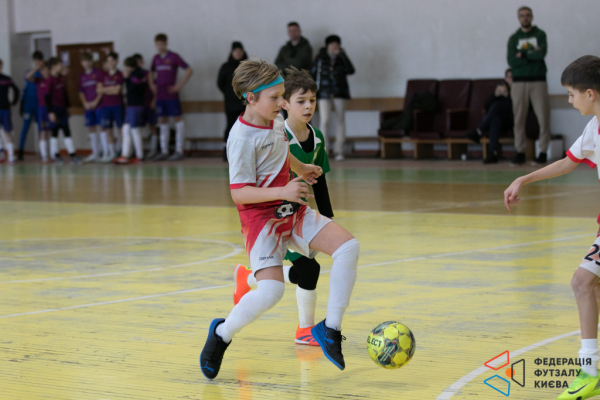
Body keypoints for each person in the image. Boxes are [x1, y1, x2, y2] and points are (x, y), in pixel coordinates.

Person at [200, 58, 359, 379]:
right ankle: (221, 334)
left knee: (348, 247)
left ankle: (329, 328)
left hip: (291, 208)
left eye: (281, 95)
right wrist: (283, 190)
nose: (280, 102)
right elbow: (239, 193)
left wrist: (300, 168)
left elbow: (280, 151)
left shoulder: (274, 121)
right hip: (261, 220)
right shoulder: (241, 138)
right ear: (250, 98)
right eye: (274, 97)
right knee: (271, 292)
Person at [504, 55, 600, 400]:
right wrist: (523, 179)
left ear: (590, 93)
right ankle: (591, 371)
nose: (570, 101)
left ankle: (589, 370)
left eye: (572, 94)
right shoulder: (593, 128)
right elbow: (567, 163)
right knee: (589, 285)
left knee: (582, 282)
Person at [232, 66, 334, 346]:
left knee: (304, 272)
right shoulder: (274, 130)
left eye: (312, 100)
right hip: (275, 216)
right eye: (301, 101)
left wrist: (327, 218)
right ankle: (304, 330)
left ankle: (248, 279)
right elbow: (242, 189)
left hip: (300, 213)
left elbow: (318, 178)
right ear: (285, 104)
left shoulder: (316, 137)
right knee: (309, 271)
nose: (308, 106)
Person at [507, 6, 550, 165]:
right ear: (518, 18)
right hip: (518, 83)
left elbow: (541, 54)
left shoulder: (540, 34)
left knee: (543, 117)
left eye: (527, 15)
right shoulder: (514, 38)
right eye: (522, 15)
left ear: (531, 17)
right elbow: (511, 61)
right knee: (518, 118)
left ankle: (543, 151)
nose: (525, 18)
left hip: (538, 81)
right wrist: (532, 53)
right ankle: (520, 152)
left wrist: (522, 54)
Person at [311, 35, 355, 161]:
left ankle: (339, 150)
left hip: (339, 92)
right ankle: (323, 150)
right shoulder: (320, 57)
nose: (334, 46)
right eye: (331, 44)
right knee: (324, 121)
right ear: (327, 45)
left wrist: (342, 55)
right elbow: (313, 73)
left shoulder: (342, 57)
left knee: (340, 120)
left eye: (336, 44)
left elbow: (351, 70)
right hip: (324, 93)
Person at [151, 33, 193, 161]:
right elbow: (150, 73)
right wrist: (151, 85)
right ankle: (164, 151)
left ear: (166, 44)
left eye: (162, 44)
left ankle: (179, 150)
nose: (160, 47)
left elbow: (189, 70)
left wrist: (179, 85)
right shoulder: (155, 58)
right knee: (162, 121)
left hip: (171, 95)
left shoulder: (174, 57)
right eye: (158, 45)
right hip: (160, 95)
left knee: (178, 119)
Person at [466, 69, 514, 164]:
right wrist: (495, 95)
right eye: (509, 77)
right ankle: (493, 153)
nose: (511, 79)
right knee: (495, 120)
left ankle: (479, 131)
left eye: (513, 77)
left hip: (510, 121)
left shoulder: (518, 89)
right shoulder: (501, 87)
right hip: (498, 122)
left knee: (497, 106)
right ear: (505, 78)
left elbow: (515, 108)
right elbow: (486, 105)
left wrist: (507, 95)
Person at [45, 57, 80, 165]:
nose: (62, 67)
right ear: (54, 66)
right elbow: (47, 97)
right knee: (54, 132)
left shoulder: (61, 78)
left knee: (67, 131)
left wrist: (68, 107)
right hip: (54, 109)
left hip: (62, 109)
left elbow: (64, 94)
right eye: (60, 65)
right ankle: (55, 155)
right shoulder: (49, 80)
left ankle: (72, 154)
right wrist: (50, 112)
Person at [114, 56, 149, 164]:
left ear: (130, 66)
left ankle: (140, 156)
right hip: (131, 105)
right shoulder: (135, 74)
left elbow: (133, 88)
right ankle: (125, 154)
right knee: (125, 128)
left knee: (135, 130)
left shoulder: (137, 74)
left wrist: (126, 78)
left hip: (136, 105)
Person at [217, 41, 247, 161]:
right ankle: (227, 151)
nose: (238, 53)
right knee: (230, 126)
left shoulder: (247, 66)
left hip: (244, 103)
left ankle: (244, 151)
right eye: (236, 51)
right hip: (230, 102)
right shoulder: (226, 66)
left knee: (245, 127)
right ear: (232, 52)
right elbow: (220, 83)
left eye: (240, 51)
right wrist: (229, 93)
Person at [97, 52, 123, 163]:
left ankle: (122, 151)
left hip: (117, 105)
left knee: (121, 129)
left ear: (116, 61)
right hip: (106, 106)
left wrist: (106, 89)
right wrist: (111, 88)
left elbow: (117, 91)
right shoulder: (103, 75)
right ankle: (111, 153)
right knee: (108, 130)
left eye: (112, 61)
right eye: (108, 61)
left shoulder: (120, 74)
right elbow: (99, 90)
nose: (110, 63)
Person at [17, 51, 44, 161]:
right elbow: (25, 84)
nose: (37, 63)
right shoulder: (29, 72)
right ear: (33, 61)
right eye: (36, 61)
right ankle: (20, 151)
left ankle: (42, 151)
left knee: (41, 128)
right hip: (28, 104)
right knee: (25, 128)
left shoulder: (42, 74)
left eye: (39, 61)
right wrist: (22, 103)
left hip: (39, 104)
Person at [78, 52, 103, 163]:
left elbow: (101, 89)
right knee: (91, 128)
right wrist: (85, 103)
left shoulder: (98, 73)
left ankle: (104, 152)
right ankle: (95, 152)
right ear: (81, 63)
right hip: (87, 106)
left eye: (88, 61)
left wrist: (96, 101)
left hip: (99, 105)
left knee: (102, 127)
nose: (86, 63)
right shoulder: (81, 76)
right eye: (84, 61)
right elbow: (80, 91)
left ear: (91, 61)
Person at [133, 53, 158, 160]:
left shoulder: (148, 73)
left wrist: (154, 100)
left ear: (142, 62)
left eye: (139, 62)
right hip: (138, 105)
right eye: (136, 62)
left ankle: (153, 149)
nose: (138, 64)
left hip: (149, 104)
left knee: (152, 126)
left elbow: (155, 88)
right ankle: (138, 151)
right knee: (136, 128)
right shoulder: (132, 75)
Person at [26, 61, 51, 163]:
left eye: (46, 69)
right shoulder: (39, 80)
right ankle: (44, 156)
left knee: (52, 131)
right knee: (43, 131)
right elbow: (28, 77)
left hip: (51, 108)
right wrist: (36, 68)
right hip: (42, 108)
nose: (45, 72)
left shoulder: (51, 80)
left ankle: (53, 153)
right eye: (43, 70)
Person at [0, 58, 21, 164]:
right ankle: (1, 153)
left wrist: (14, 102)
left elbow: (16, 90)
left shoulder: (6, 79)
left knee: (8, 131)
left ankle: (11, 155)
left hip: (5, 109)